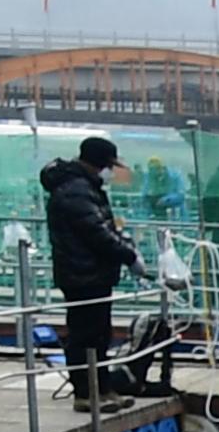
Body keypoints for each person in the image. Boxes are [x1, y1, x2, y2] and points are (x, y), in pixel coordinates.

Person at [39, 135, 143, 409]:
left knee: (99, 335)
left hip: (92, 274)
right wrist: (129, 255)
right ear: (98, 163)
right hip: (81, 274)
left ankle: (102, 389)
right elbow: (96, 233)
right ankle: (85, 394)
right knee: (85, 335)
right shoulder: (76, 190)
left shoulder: (83, 187)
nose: (109, 170)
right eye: (108, 164)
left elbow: (102, 228)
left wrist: (124, 246)